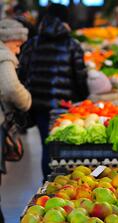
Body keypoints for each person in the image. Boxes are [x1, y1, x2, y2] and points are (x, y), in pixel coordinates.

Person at [18, 3, 89, 179]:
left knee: (47, 145)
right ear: (66, 21)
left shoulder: (33, 43)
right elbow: (80, 75)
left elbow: (22, 72)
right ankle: (68, 185)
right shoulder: (72, 44)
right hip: (64, 105)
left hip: (38, 104)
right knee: (66, 147)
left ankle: (49, 185)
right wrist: (82, 98)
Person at [0, 19, 32, 223]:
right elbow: (11, 88)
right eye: (18, 44)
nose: (18, 49)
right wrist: (27, 100)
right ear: (9, 39)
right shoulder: (3, 58)